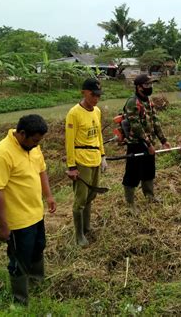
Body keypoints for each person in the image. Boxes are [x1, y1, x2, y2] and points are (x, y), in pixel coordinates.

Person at [0, 114, 57, 305]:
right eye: (35, 140)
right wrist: (3, 226)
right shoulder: (0, 155)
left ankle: (37, 282)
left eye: (39, 141)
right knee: (20, 259)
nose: (37, 144)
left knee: (38, 247)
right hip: (17, 221)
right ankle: (20, 300)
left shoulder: (32, 147)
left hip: (36, 213)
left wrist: (48, 196)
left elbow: (41, 171)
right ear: (22, 133)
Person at [65, 78, 107, 247]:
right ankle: (79, 234)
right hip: (81, 160)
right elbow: (69, 142)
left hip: (95, 158)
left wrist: (103, 155)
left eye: (98, 95)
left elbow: (99, 135)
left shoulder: (97, 111)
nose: (96, 99)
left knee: (92, 194)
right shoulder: (74, 113)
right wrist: (72, 166)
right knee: (80, 199)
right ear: (84, 93)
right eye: (93, 95)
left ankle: (87, 227)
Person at [122, 74, 171, 212]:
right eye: (147, 85)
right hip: (136, 143)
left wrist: (163, 140)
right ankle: (130, 203)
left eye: (151, 84)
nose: (150, 87)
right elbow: (136, 126)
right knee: (132, 173)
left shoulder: (148, 101)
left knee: (149, 170)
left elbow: (155, 122)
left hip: (149, 142)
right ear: (139, 87)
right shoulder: (132, 102)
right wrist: (148, 144)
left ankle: (149, 195)